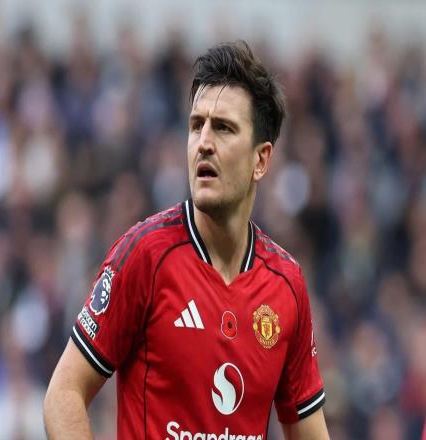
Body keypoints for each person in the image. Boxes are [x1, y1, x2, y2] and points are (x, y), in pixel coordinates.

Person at [43, 40, 330, 440]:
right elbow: (63, 393)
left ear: (261, 159)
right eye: (197, 126)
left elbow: (309, 431)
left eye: (224, 128)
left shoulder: (286, 284)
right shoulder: (145, 255)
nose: (204, 143)